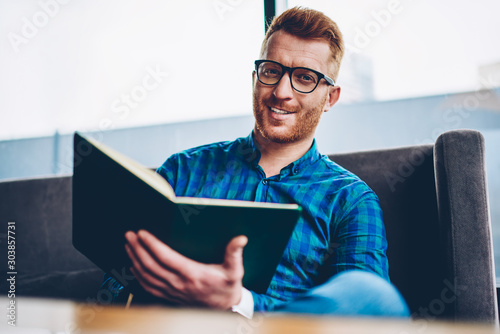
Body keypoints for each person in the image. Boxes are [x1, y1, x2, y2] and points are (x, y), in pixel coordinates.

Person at [102, 6, 409, 318]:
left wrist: (238, 301)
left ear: (330, 97)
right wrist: (170, 287)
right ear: (255, 78)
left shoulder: (350, 200)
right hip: (178, 325)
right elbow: (114, 286)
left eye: (304, 78)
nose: (281, 92)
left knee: (376, 296)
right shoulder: (184, 170)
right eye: (271, 72)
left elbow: (368, 318)